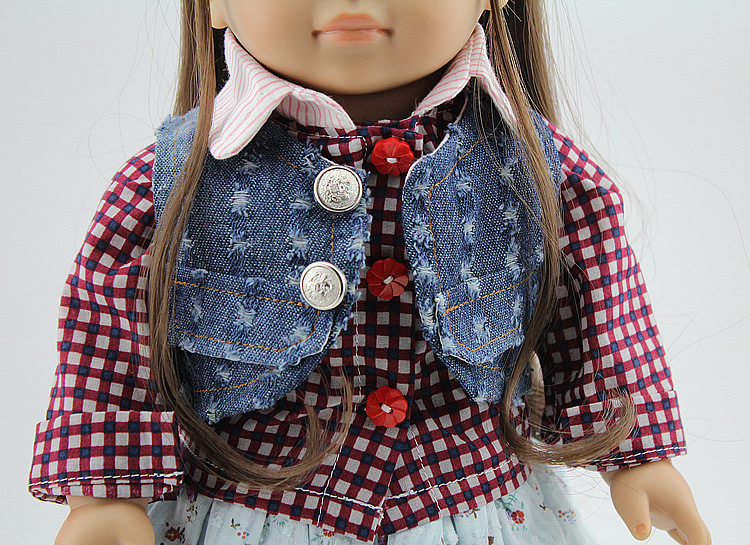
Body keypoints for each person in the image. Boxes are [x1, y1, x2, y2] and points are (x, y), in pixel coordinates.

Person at [30, 1, 711, 544]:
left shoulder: (531, 166)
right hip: (253, 509)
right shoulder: (177, 182)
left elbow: (600, 307)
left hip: (473, 504)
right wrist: (106, 495)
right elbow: (110, 339)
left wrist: (636, 452)